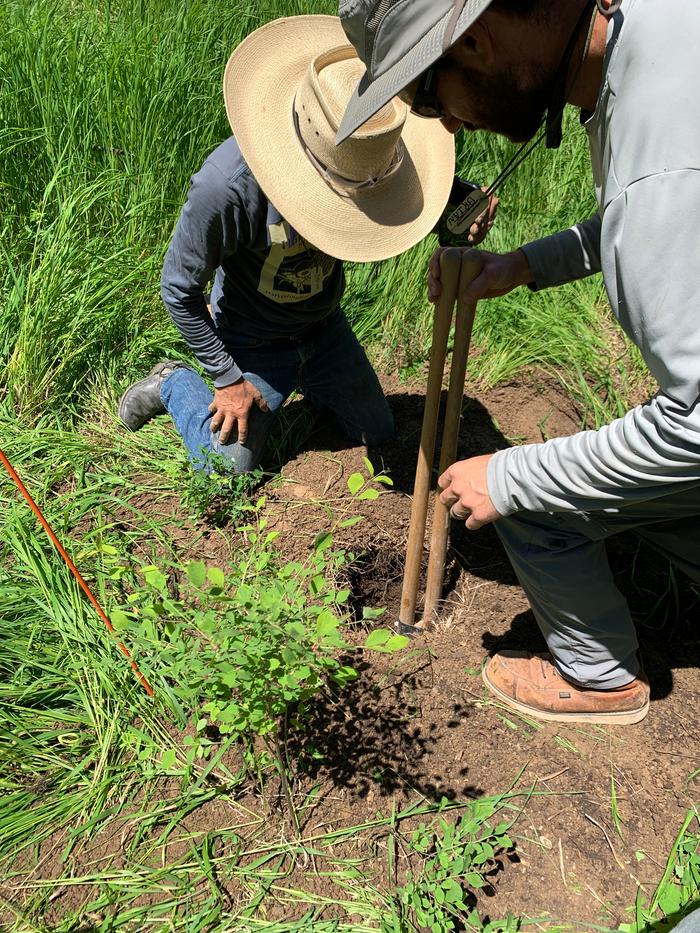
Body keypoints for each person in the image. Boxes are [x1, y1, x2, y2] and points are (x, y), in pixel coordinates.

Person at [338, 0, 700, 724]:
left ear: (475, 40)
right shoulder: (657, 36)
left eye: (430, 96)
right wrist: (523, 266)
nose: (445, 124)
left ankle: (598, 680)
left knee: (530, 500)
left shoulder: (662, 183)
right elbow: (633, 220)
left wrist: (509, 474)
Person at [118, 15, 467, 475]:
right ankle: (172, 383)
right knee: (225, 471)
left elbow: (407, 195)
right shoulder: (226, 188)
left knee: (376, 430)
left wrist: (461, 208)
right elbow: (177, 289)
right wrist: (227, 378)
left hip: (325, 331)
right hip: (252, 340)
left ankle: (315, 382)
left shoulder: (367, 160)